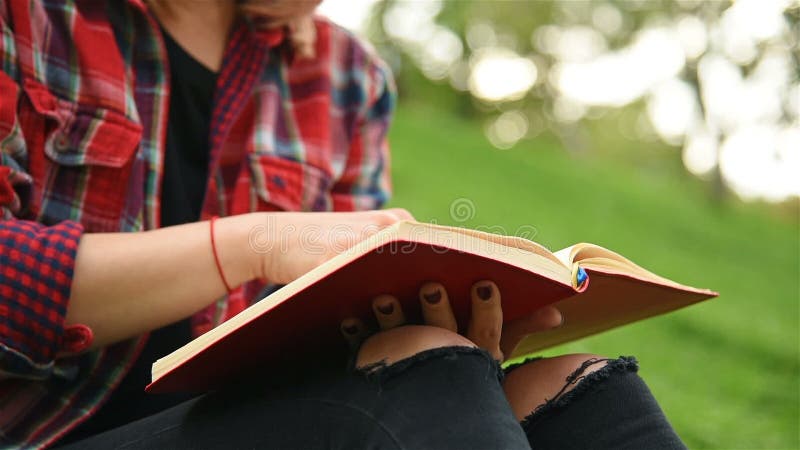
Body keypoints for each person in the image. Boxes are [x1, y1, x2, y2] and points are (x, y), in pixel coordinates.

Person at [0, 0, 687, 448]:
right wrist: (255, 243)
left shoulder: (347, 76)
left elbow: (337, 330)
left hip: (224, 419)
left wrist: (444, 328)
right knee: (423, 378)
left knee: (576, 389)